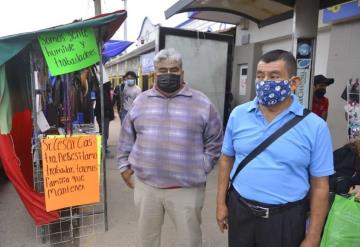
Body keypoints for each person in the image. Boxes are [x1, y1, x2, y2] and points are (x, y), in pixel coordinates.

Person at [216, 49, 334, 247]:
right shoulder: (238, 115)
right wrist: (220, 203)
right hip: (240, 212)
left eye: (274, 76)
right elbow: (226, 159)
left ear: (294, 83)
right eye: (260, 76)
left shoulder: (315, 127)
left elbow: (320, 185)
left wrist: (313, 236)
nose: (265, 82)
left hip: (285, 220)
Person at [117, 48, 223, 247]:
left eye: (173, 70)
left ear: (182, 72)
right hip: (147, 187)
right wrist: (124, 168)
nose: (168, 74)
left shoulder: (201, 102)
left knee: (189, 241)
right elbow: (126, 138)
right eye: (162, 70)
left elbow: (215, 140)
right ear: (155, 73)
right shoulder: (141, 101)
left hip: (186, 189)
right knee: (147, 241)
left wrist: (202, 166)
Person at [94, 80, 114, 158]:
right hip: (103, 116)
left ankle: (104, 149)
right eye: (109, 85)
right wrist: (109, 112)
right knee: (104, 133)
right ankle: (103, 151)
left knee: (103, 133)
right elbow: (105, 105)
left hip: (102, 115)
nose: (110, 86)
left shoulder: (102, 91)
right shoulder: (103, 93)